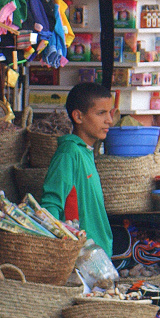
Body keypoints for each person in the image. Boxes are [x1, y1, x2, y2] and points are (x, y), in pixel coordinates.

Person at [39, 82, 115, 257]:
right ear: (78, 117)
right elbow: (51, 203)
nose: (109, 120)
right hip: (80, 258)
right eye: (101, 113)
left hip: (98, 255)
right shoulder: (68, 153)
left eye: (109, 113)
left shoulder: (85, 152)